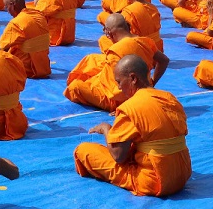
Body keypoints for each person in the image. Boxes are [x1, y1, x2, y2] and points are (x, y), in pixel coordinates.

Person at [73, 55, 192, 197]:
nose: (118, 87)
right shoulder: (170, 97)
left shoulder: (130, 107)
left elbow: (118, 156)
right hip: (183, 174)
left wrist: (106, 129)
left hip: (155, 181)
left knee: (83, 150)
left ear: (133, 79)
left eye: (119, 82)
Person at [66, 14, 168, 112]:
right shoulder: (145, 41)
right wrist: (152, 82)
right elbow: (164, 60)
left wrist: (124, 106)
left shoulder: (115, 51)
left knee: (75, 87)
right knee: (92, 59)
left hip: (120, 99)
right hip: (142, 86)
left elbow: (117, 90)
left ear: (110, 33)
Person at [0, 0, 51, 79]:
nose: (7, 12)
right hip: (43, 66)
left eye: (7, 7)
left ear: (12, 5)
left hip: (27, 68)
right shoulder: (39, 15)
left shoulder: (16, 23)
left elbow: (0, 48)